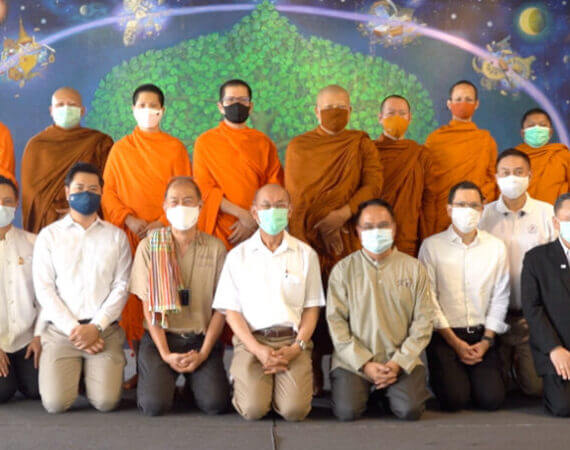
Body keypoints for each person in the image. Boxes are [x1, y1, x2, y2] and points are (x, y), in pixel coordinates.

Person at [285, 84, 383, 394]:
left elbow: (373, 185)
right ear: (316, 112)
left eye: (341, 107)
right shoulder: (299, 146)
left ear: (351, 111)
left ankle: (349, 367)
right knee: (311, 301)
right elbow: (297, 199)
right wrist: (318, 232)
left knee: (349, 304)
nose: (335, 113)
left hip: (349, 236)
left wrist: (342, 214)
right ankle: (311, 363)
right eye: (328, 108)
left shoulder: (360, 143)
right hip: (309, 239)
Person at [213, 184, 325, 421]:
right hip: (253, 341)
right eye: (266, 206)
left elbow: (311, 309)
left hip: (292, 341)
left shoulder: (306, 255)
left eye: (279, 206)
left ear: (289, 211)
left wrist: (297, 347)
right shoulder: (238, 256)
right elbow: (231, 312)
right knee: (253, 409)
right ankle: (254, 383)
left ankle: (277, 388)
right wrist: (257, 349)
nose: (273, 211)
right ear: (254, 212)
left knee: (294, 411)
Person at [102, 83, 192, 358]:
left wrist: (162, 221)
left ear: (162, 110)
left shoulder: (175, 148)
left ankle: (165, 361)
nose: (148, 110)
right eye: (142, 105)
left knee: (164, 297)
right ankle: (142, 367)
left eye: (153, 106)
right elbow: (108, 192)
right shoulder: (120, 149)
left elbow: (185, 191)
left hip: (166, 236)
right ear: (133, 109)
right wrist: (128, 219)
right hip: (130, 236)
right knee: (133, 300)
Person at [33, 162, 131, 413]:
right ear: (67, 192)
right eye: (79, 188)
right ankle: (78, 373)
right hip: (62, 332)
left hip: (104, 332)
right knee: (55, 404)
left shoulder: (116, 237)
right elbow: (44, 289)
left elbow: (121, 287)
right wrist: (75, 331)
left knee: (106, 402)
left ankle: (90, 375)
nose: (86, 194)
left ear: (101, 193)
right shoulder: (49, 236)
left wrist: (96, 327)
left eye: (93, 189)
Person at [129, 177, 230, 416]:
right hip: (162, 338)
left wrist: (203, 353)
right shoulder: (149, 247)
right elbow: (148, 306)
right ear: (164, 206)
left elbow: (222, 308)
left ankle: (194, 383)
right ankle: (165, 376)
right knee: (154, 405)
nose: (181, 207)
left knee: (215, 404)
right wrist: (165, 354)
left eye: (188, 201)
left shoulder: (216, 248)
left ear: (200, 206)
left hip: (200, 339)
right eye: (174, 202)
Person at [327, 199, 432, 421]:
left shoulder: (414, 269)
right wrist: (364, 364)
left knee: (410, 410)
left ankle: (388, 391)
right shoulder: (343, 270)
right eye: (368, 227)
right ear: (357, 231)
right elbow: (336, 324)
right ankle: (373, 390)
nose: (376, 232)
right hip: (353, 362)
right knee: (347, 411)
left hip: (400, 360)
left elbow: (423, 322)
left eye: (383, 225)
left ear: (394, 228)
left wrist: (397, 363)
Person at [419, 181, 509, 411]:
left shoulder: (496, 247)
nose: (468, 210)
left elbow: (500, 298)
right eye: (461, 205)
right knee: (454, 400)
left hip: (482, 334)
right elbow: (429, 300)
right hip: (446, 334)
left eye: (473, 205)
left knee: (492, 400)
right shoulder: (431, 246)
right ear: (449, 209)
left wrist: (487, 341)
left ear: (482, 209)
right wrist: (456, 343)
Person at [479, 148, 555, 397]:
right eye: (506, 172)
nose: (512, 178)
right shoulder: (483, 216)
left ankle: (523, 364)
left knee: (535, 388)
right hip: (493, 319)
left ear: (530, 176)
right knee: (492, 393)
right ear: (496, 177)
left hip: (532, 318)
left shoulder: (547, 214)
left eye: (519, 172)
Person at [194, 79, 283, 250]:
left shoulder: (263, 142)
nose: (237, 104)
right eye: (230, 100)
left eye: (243, 100)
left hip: (259, 228)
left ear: (250, 106)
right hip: (219, 228)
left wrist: (254, 219)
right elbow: (204, 188)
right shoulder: (205, 142)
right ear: (221, 106)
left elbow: (274, 186)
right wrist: (242, 215)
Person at [21, 87, 113, 234]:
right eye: (60, 105)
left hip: (89, 221)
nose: (66, 109)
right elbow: (31, 195)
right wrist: (58, 213)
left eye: (72, 104)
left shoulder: (99, 142)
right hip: (50, 224)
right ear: (51, 110)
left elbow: (108, 186)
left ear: (82, 111)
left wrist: (79, 207)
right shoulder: (37, 145)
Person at [422, 80, 498, 239]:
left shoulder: (485, 140)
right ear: (449, 104)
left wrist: (475, 204)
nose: (463, 103)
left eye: (468, 100)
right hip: (441, 215)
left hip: (474, 215)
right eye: (458, 99)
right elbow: (427, 181)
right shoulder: (435, 139)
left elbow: (492, 180)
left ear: (476, 104)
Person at [522, 192, 570, 417]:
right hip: (556, 346)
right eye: (568, 219)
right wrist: (554, 348)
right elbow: (532, 309)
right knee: (563, 407)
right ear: (556, 222)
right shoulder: (536, 259)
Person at [0, 176, 42, 403]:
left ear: (16, 204)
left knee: (38, 390)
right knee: (2, 392)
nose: (2, 207)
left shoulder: (33, 243)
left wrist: (39, 335)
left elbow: (46, 296)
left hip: (27, 339)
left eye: (7, 201)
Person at [374, 95, 430, 256]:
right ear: (380, 118)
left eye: (402, 113)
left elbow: (428, 201)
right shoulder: (369, 152)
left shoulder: (420, 154)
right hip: (373, 235)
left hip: (407, 237)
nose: (397, 118)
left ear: (410, 118)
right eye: (391, 113)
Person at [514, 108, 570, 205]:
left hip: (555, 213)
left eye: (543, 125)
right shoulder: (512, 158)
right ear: (523, 133)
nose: (537, 129)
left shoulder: (562, 155)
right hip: (519, 212)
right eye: (531, 125)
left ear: (550, 132)